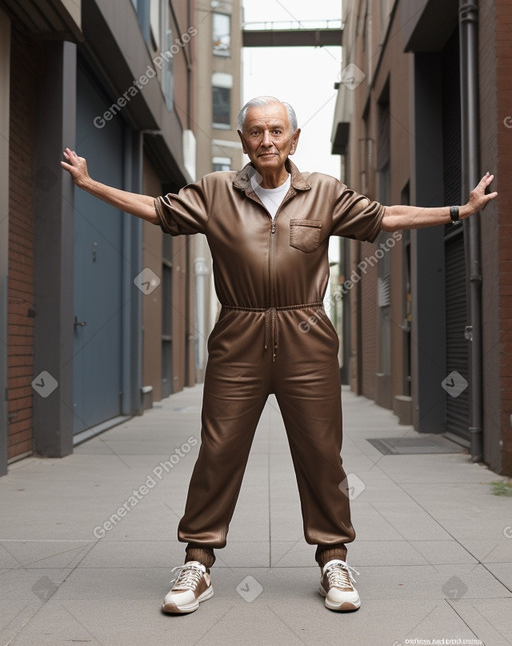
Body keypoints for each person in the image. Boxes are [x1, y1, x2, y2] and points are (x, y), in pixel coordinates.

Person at [61, 96, 497, 615]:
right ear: (244, 141)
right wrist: (90, 185)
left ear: (293, 139)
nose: (265, 141)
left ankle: (333, 556)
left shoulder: (324, 193)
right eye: (255, 132)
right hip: (238, 335)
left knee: (320, 452)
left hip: (306, 336)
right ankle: (197, 562)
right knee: (217, 450)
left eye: (275, 131)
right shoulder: (217, 191)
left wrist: (458, 210)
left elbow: (387, 217)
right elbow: (157, 209)